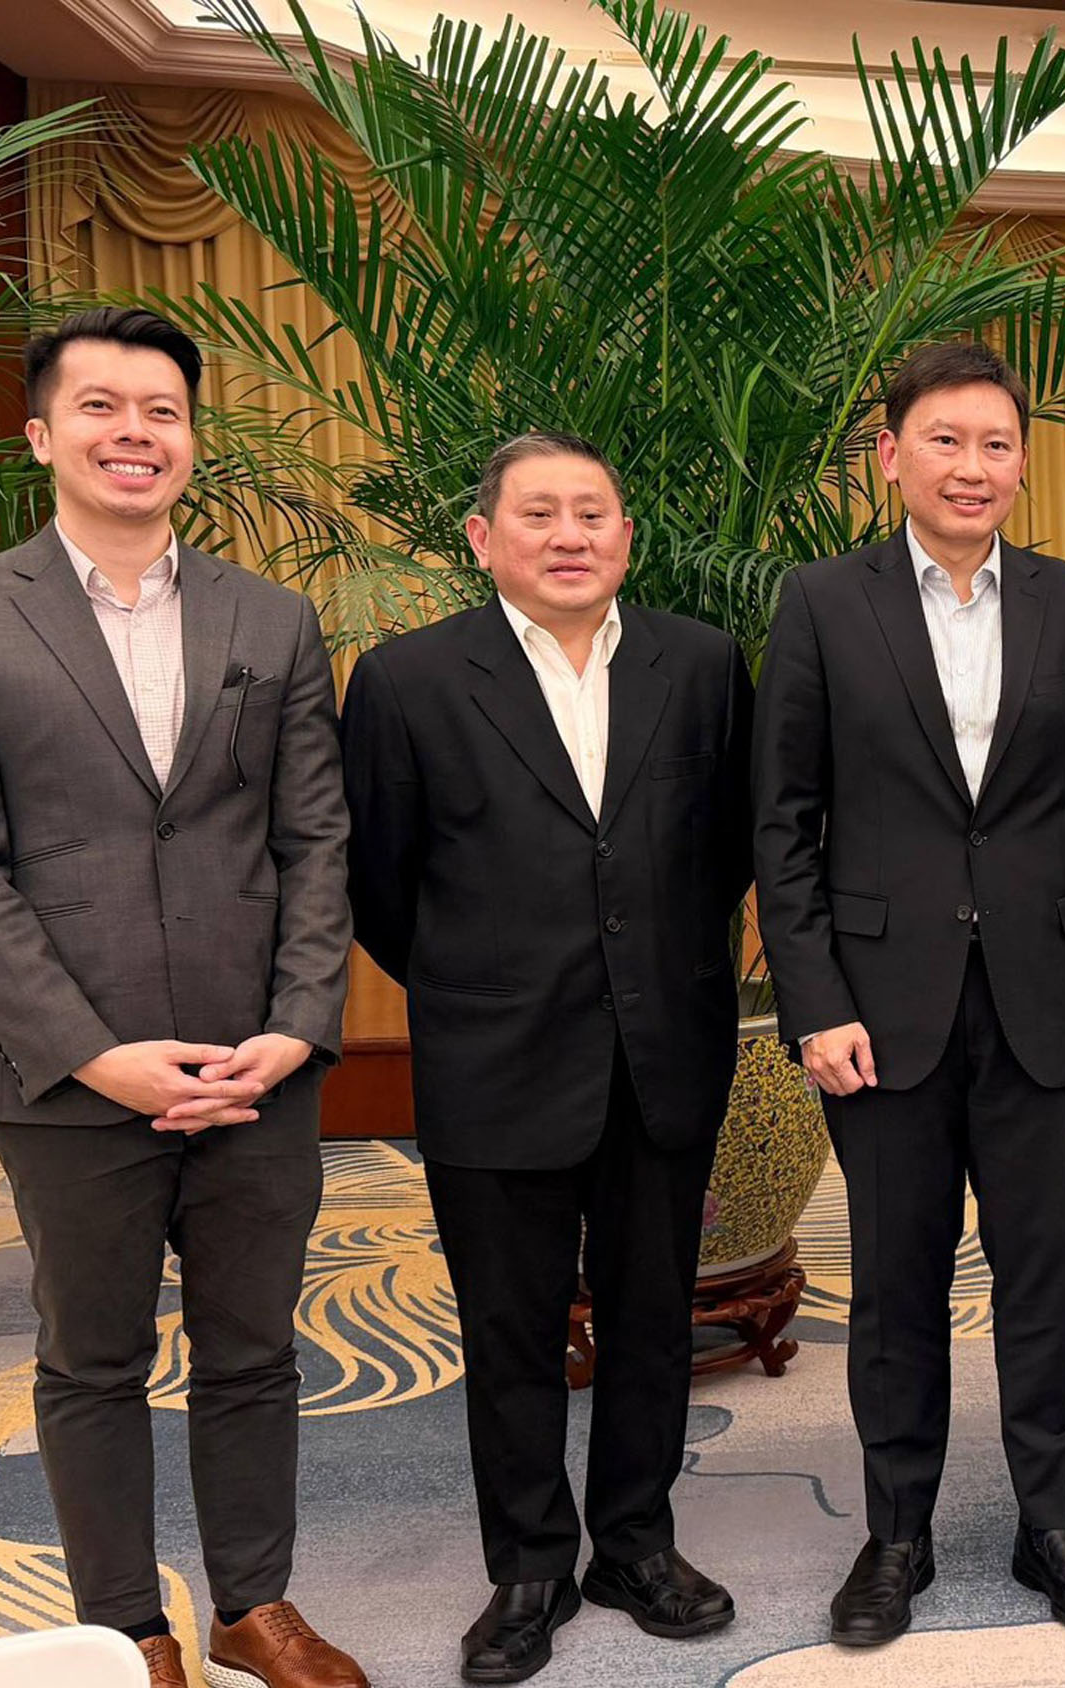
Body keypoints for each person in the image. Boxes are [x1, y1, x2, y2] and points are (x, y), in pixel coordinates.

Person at [0, 307, 364, 1688]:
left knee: (253, 1352)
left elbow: (314, 840)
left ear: (192, 442)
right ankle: (127, 1631)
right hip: (69, 1079)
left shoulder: (269, 620)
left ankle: (251, 1607)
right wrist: (94, 1055)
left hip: (256, 1066)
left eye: (161, 411)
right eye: (102, 409)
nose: (134, 433)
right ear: (44, 435)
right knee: (92, 1362)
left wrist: (296, 1024)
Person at [752, 341, 1065, 1645]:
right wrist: (813, 1000)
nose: (971, 465)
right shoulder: (822, 603)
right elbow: (787, 825)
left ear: (1022, 463)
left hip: (1052, 1000)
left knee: (1046, 1281)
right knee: (896, 1283)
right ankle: (897, 1536)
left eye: (995, 443)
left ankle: (1054, 1524)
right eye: (944, 440)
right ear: (891, 455)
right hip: (880, 1009)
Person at [341, 432, 755, 1681]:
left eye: (593, 511)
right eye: (539, 513)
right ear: (483, 538)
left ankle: (635, 1539)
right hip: (494, 1053)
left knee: (651, 1316)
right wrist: (491, 984)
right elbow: (381, 887)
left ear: (627, 535)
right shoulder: (409, 679)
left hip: (664, 1049)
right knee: (508, 1326)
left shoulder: (703, 663)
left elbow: (725, 847)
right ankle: (528, 1561)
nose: (569, 533)